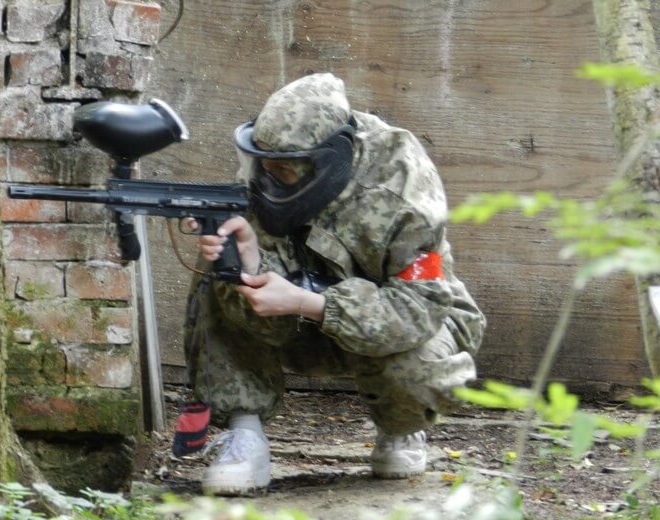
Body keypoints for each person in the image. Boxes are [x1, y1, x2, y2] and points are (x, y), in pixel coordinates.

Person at [180, 72, 486, 496]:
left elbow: (419, 310)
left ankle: (402, 428)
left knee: (418, 361)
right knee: (223, 261)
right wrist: (248, 261)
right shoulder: (264, 171)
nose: (268, 177)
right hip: (295, 324)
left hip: (397, 324)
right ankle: (244, 432)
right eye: (264, 164)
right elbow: (258, 281)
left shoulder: (404, 190)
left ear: (329, 159)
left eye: (283, 170)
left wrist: (312, 303)